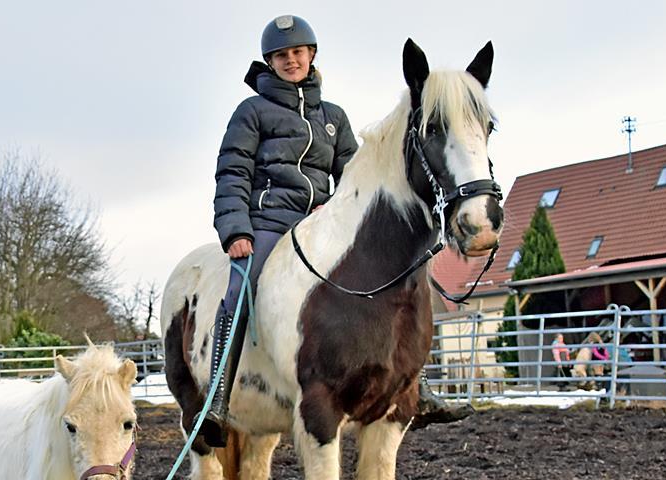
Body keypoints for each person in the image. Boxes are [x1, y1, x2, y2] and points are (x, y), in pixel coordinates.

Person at [201, 14, 469, 447]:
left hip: (322, 222)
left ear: (311, 55)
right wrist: (235, 230)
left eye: (298, 52)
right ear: (270, 62)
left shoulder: (334, 116)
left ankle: (417, 387)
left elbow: (352, 174)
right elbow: (232, 172)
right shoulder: (251, 112)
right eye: (282, 55)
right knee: (242, 285)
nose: (291, 61)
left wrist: (346, 208)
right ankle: (217, 395)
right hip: (270, 222)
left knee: (406, 279)